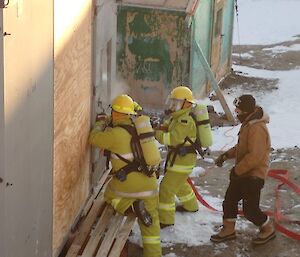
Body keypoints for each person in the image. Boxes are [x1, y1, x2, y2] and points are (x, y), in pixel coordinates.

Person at [89, 94, 162, 257]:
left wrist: (101, 122)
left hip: (126, 186)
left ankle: (130, 206)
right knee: (151, 226)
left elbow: (93, 139)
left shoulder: (114, 134)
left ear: (114, 113)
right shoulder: (140, 127)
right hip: (150, 186)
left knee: (109, 196)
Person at [210, 94, 275, 245]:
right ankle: (228, 230)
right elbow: (242, 148)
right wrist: (226, 156)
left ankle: (267, 228)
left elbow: (255, 156)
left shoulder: (257, 128)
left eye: (238, 111)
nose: (236, 114)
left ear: (246, 111)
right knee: (230, 201)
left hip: (253, 176)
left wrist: (237, 171)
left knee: (250, 210)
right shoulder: (248, 123)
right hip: (243, 173)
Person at [155, 86, 199, 228]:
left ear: (186, 103)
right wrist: (159, 126)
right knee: (179, 184)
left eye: (176, 102)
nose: (173, 105)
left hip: (182, 161)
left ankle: (166, 220)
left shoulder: (184, 121)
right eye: (172, 101)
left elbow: (173, 139)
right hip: (180, 159)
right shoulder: (178, 117)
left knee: (166, 188)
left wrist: (156, 134)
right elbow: (168, 126)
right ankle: (191, 206)